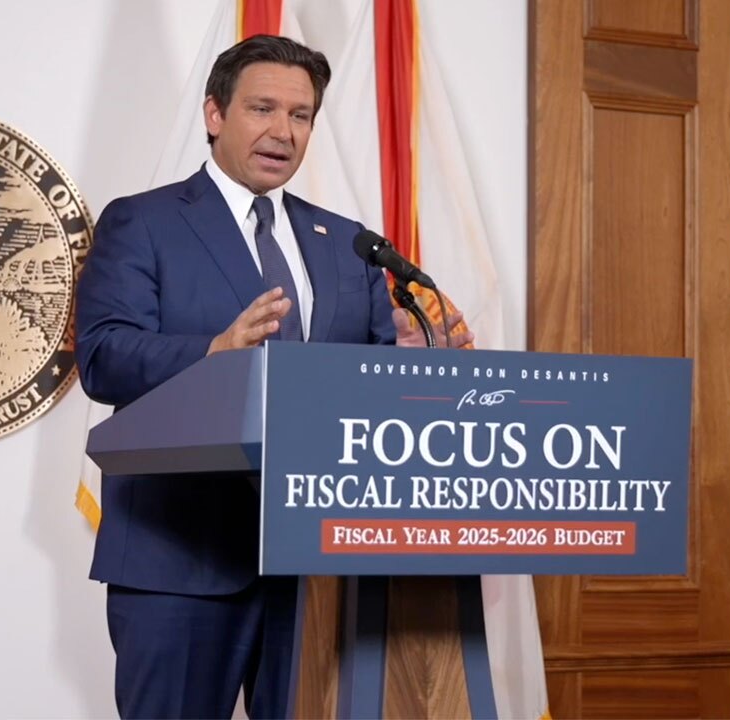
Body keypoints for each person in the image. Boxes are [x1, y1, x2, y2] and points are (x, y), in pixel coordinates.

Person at [74, 35, 470, 720]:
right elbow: (104, 355)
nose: (282, 132)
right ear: (215, 114)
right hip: (180, 561)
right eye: (262, 108)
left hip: (314, 566)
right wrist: (213, 352)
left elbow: (368, 394)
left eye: (301, 115)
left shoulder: (346, 241)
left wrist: (413, 363)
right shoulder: (144, 222)